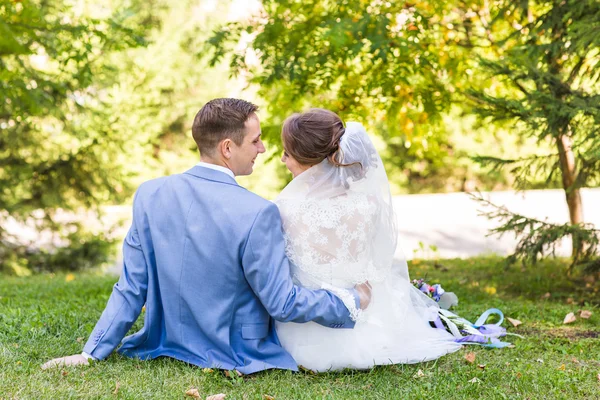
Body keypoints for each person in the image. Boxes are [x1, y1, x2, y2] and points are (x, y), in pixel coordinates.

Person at [42, 99, 372, 374]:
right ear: (227, 148)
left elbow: (131, 288)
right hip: (236, 352)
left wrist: (91, 353)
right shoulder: (259, 213)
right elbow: (282, 303)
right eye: (255, 140)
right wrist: (350, 300)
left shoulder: (150, 193)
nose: (263, 147)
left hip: (166, 342)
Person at [274, 108, 462, 371]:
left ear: (310, 160)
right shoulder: (369, 204)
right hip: (372, 322)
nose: (283, 160)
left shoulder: (284, 209)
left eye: (287, 153)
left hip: (303, 332)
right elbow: (377, 264)